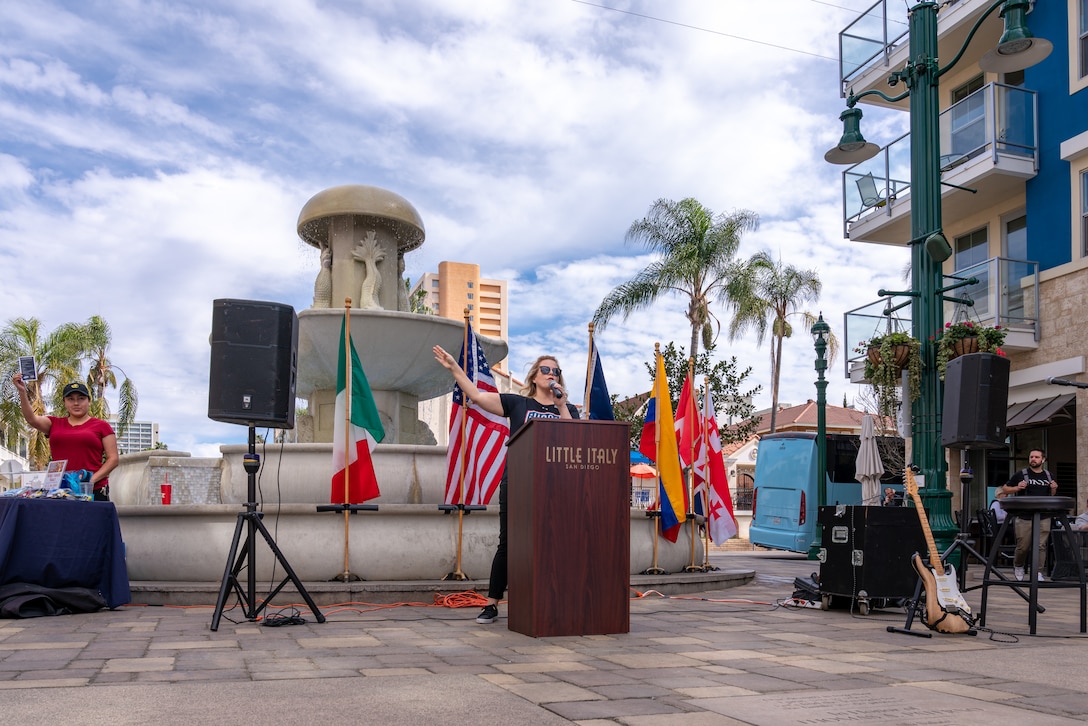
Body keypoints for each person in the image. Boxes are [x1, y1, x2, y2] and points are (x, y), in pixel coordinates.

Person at [432, 346, 578, 624]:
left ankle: (554, 598)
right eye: (545, 370)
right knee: (508, 544)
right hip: (519, 483)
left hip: (555, 488)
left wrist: (561, 406)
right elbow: (475, 396)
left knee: (556, 542)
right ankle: (492, 604)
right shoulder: (518, 404)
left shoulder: (566, 409)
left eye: (555, 371)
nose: (551, 374)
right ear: (534, 377)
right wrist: (454, 368)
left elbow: (574, 439)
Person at [12, 375, 119, 501]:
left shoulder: (102, 426)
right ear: (64, 402)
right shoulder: (54, 423)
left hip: (91, 489)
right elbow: (31, 419)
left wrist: (90, 481)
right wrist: (22, 391)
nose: (76, 403)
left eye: (81, 398)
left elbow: (113, 459)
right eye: (70, 399)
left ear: (89, 401)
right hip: (60, 490)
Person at [995, 448, 1058, 581]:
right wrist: (1017, 488)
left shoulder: (1048, 475)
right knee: (1023, 546)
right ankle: (1018, 565)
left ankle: (1038, 572)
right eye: (1031, 457)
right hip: (1024, 515)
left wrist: (1054, 489)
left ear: (1043, 460)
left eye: (1036, 457)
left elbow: (1051, 495)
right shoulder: (1021, 474)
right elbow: (1005, 489)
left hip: (1043, 515)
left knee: (1041, 545)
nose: (1033, 459)